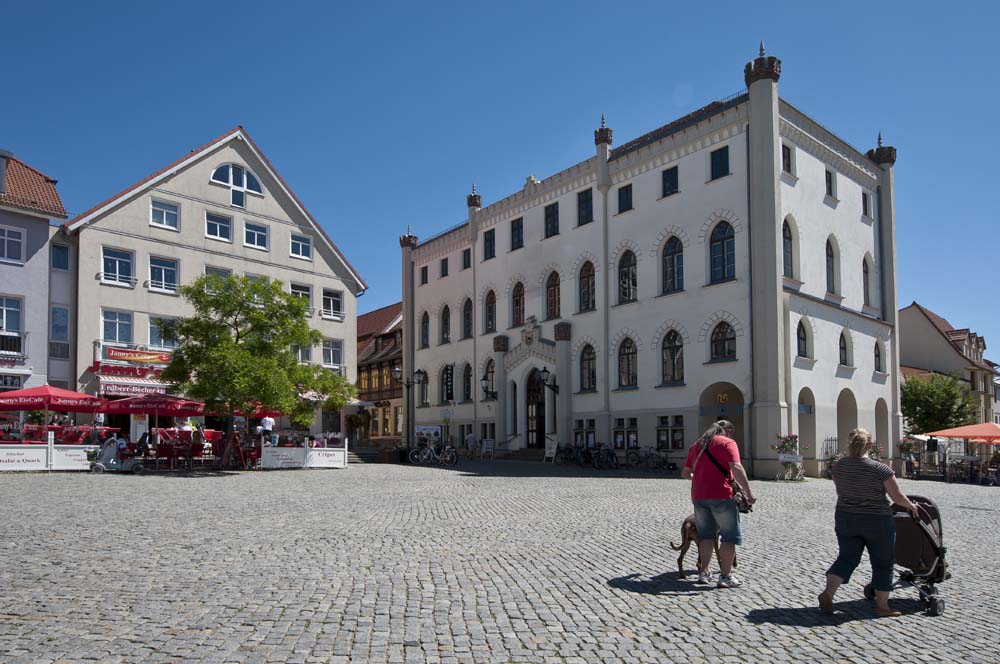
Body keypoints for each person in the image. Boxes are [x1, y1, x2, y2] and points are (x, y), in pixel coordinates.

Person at [819, 428, 918, 618]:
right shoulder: (880, 469)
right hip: (876, 520)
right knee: (883, 562)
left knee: (846, 558)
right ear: (870, 445)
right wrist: (911, 506)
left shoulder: (838, 466)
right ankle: (882, 606)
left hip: (846, 517)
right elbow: (896, 497)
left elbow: (841, 488)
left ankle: (828, 593)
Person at [681, 420, 756, 588]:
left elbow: (685, 473)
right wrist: (749, 493)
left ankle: (704, 572)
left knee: (706, 536)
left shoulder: (696, 446)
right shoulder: (728, 443)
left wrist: (700, 480)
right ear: (727, 431)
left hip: (699, 497)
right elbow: (736, 467)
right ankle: (725, 576)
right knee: (729, 537)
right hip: (722, 496)